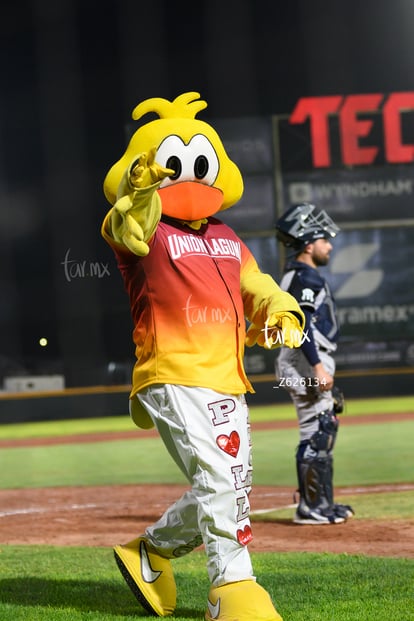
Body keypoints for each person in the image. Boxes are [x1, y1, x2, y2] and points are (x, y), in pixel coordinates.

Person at [101, 92, 305, 621]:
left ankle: (151, 551)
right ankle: (231, 591)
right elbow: (129, 225)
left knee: (231, 487)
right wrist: (141, 190)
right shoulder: (142, 228)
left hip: (227, 375)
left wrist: (282, 312)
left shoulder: (227, 237)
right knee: (219, 480)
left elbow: (257, 285)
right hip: (172, 369)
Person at [274, 203, 354, 525]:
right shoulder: (304, 276)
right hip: (302, 362)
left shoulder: (298, 273)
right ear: (309, 244)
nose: (329, 245)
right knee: (317, 431)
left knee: (325, 426)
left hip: (299, 362)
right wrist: (317, 367)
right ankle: (310, 507)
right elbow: (301, 323)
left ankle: (323, 503)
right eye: (324, 239)